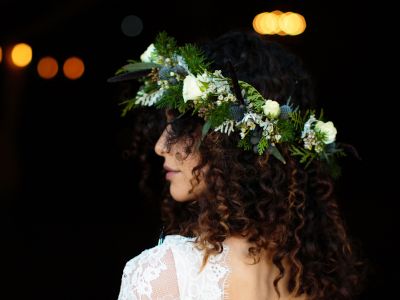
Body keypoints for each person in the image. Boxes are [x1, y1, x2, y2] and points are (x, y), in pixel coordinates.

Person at [109, 30, 365, 300]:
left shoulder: (163, 274)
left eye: (183, 127)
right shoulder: (315, 278)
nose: (161, 146)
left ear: (229, 140)